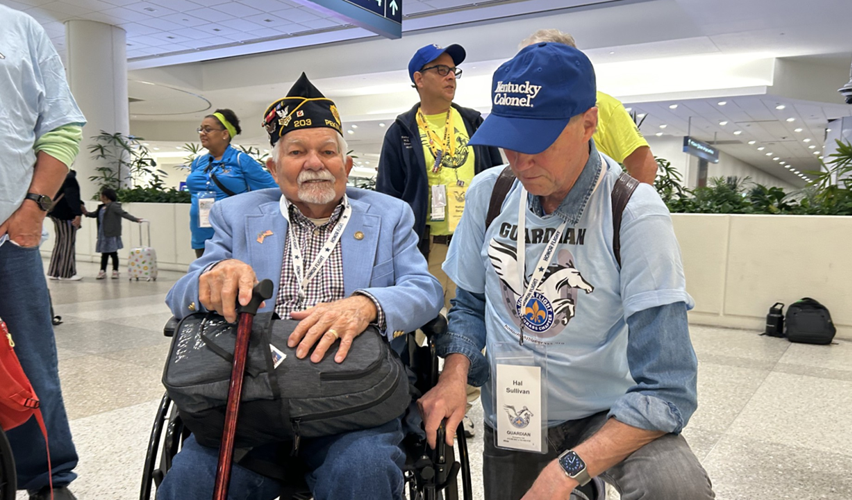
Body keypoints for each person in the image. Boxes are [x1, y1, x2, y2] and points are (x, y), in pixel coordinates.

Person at [418, 42, 714, 500]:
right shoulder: (489, 194)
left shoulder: (633, 212)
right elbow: (470, 305)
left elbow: (670, 387)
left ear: (588, 123)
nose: (520, 162)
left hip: (607, 412)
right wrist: (456, 372)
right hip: (517, 410)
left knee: (676, 487)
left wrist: (566, 470)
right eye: (509, 142)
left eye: (538, 143)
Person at [161, 73, 443, 500]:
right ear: (274, 169)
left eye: (328, 151)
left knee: (362, 472)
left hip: (355, 395)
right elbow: (179, 296)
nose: (315, 162)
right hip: (252, 399)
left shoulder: (389, 215)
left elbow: (425, 290)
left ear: (346, 166)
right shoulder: (236, 216)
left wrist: (366, 304)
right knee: (192, 482)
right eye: (297, 152)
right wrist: (210, 279)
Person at [376, 42, 504, 437]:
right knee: (417, 330)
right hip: (426, 248)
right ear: (418, 79)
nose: (450, 77)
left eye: (453, 71)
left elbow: (500, 179)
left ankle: (458, 404)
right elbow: (388, 195)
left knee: (474, 326)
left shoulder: (474, 123)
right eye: (440, 70)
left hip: (473, 244)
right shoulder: (401, 132)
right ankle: (417, 401)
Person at [0, 5, 85, 499]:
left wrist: (34, 207)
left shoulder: (19, 27)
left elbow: (61, 125)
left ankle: (47, 479)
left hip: (8, 238)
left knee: (32, 365)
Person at [520, 29, 659, 185]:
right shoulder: (521, 106)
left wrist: (624, 206)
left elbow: (645, 166)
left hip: (591, 202)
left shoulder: (603, 105)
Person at [186, 108, 278, 258]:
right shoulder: (198, 162)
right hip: (201, 233)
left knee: (231, 279)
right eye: (201, 129)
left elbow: (274, 189)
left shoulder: (240, 160)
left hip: (230, 234)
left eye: (208, 129)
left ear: (224, 134)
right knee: (205, 278)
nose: (202, 133)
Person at [82, 187, 142, 279]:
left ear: (105, 196)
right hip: (103, 233)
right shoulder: (101, 207)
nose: (100, 197)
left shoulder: (114, 206)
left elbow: (123, 214)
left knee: (113, 253)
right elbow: (94, 214)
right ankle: (103, 270)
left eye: (101, 195)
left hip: (111, 233)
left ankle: (115, 270)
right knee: (104, 253)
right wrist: (85, 212)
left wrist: (135, 219)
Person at [47, 170, 82, 281]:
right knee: (68, 242)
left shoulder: (56, 175)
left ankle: (54, 272)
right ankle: (66, 273)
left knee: (59, 242)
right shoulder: (70, 178)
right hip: (66, 214)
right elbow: (71, 196)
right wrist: (77, 213)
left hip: (55, 213)